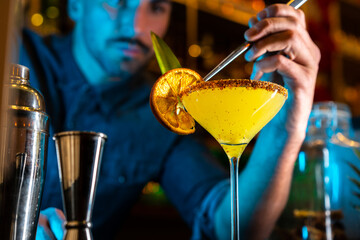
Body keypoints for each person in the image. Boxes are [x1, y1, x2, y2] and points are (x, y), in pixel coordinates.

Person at [18, 0, 320, 239]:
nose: (138, 26)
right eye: (118, 1)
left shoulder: (167, 114)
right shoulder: (13, 54)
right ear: (75, 4)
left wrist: (287, 126)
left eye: (157, 7)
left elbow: (228, 226)